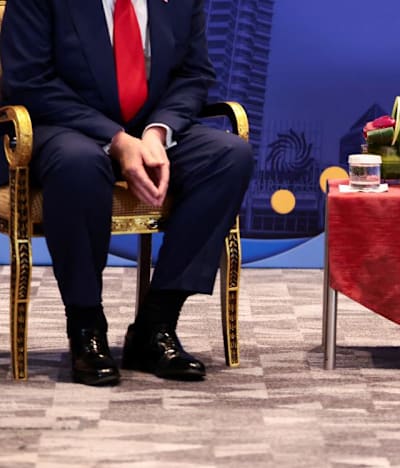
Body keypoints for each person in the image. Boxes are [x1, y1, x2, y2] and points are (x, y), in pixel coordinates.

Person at [0, 0, 254, 386]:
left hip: (149, 129)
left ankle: (156, 325)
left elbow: (194, 74)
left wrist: (158, 132)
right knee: (79, 164)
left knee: (228, 156)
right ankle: (86, 328)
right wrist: (117, 140)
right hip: (66, 128)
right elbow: (29, 81)